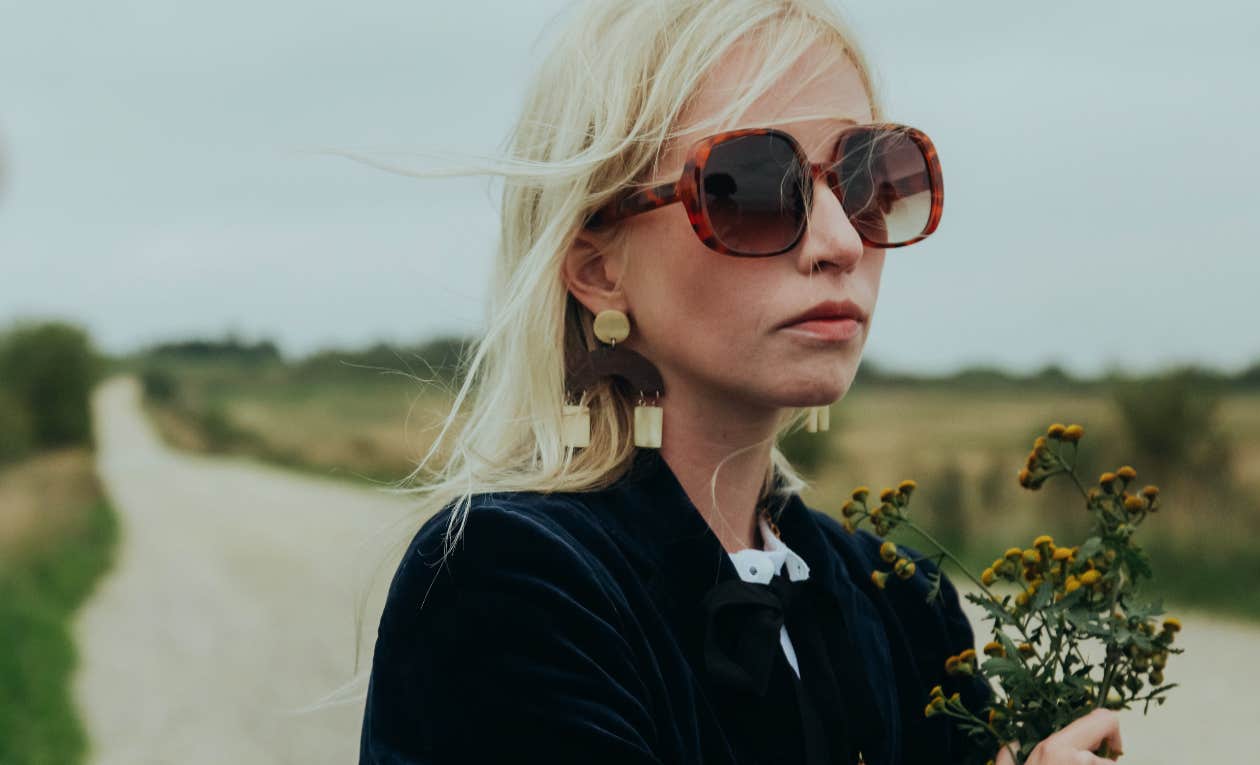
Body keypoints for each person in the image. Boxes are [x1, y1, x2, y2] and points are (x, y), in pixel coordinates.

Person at [357, 1, 1123, 763]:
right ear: (598, 268)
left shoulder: (901, 602)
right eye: (752, 186)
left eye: (867, 179)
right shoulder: (509, 583)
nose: (839, 241)